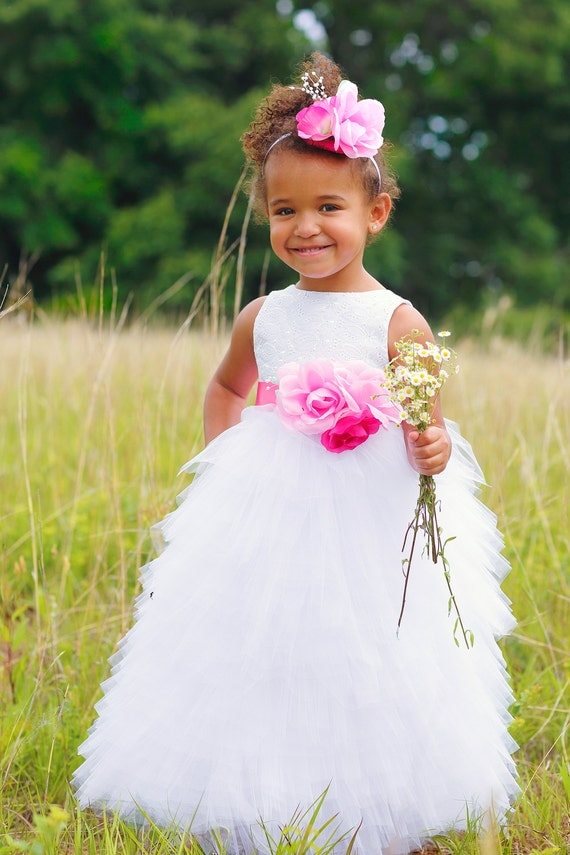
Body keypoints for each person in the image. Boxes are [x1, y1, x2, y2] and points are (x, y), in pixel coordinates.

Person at [73, 53, 518, 854]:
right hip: (268, 509)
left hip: (372, 515)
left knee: (368, 642)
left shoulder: (400, 321)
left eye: (328, 206)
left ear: (375, 213)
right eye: (284, 211)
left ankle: (377, 804)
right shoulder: (263, 316)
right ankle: (253, 788)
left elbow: (433, 428)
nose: (305, 227)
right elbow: (225, 388)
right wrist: (227, 472)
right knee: (262, 640)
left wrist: (432, 444)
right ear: (266, 217)